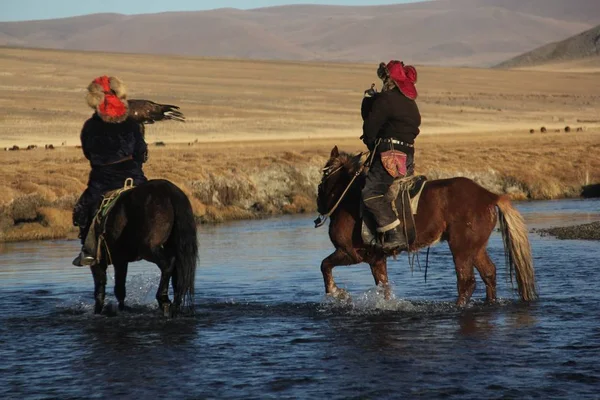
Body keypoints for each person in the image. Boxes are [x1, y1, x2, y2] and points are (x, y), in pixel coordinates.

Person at [72, 76, 148, 266]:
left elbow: (89, 154)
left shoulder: (90, 126)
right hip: (135, 178)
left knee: (84, 209)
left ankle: (89, 251)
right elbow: (141, 152)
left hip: (103, 181)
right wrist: (133, 167)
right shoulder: (132, 124)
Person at [360, 60, 421, 251]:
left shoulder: (385, 99)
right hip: (407, 156)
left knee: (370, 193)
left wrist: (372, 144)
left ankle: (394, 233)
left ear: (389, 80)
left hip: (390, 156)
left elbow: (370, 128)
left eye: (385, 78)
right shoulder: (410, 103)